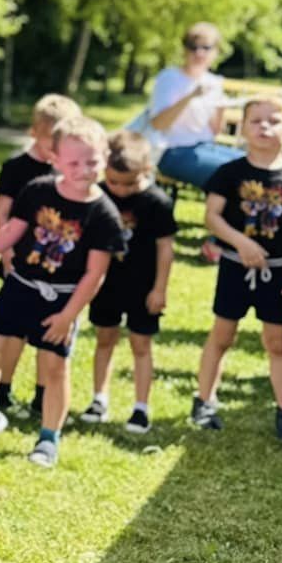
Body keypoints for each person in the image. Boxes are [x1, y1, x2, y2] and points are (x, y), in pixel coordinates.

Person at [0, 115, 124, 469]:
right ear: (55, 160)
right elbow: (13, 230)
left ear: (105, 157)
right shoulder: (38, 190)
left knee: (54, 369)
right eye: (74, 163)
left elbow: (95, 274)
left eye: (92, 161)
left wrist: (68, 316)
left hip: (62, 299)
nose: (84, 170)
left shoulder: (104, 214)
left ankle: (49, 438)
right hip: (20, 286)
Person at [191, 98, 282, 442]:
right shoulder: (229, 173)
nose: (264, 127)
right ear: (242, 128)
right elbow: (212, 216)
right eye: (256, 121)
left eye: (274, 121)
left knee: (277, 341)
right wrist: (239, 242)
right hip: (235, 267)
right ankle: (204, 400)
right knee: (223, 334)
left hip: (277, 271)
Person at [79, 129, 176, 434]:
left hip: (143, 286)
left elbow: (165, 248)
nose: (120, 190)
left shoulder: (157, 202)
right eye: (113, 182)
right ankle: (99, 399)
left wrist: (160, 289)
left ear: (146, 169)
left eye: (129, 183)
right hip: (106, 283)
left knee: (141, 343)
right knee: (104, 338)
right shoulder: (97, 194)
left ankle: (140, 407)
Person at [0, 93, 74, 415]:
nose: (56, 146)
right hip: (19, 262)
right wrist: (7, 252)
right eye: (50, 138)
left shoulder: (67, 172)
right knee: (14, 331)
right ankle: (3, 388)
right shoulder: (16, 167)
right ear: (34, 132)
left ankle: (43, 395)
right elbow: (3, 212)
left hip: (57, 268)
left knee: (50, 333)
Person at [147, 25, 234, 190]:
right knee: (231, 173)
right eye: (193, 47)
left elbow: (215, 131)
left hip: (206, 147)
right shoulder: (169, 77)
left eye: (206, 47)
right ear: (184, 50)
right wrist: (190, 96)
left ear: (216, 51)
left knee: (246, 163)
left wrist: (221, 109)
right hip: (172, 151)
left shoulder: (214, 82)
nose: (199, 53)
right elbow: (158, 124)